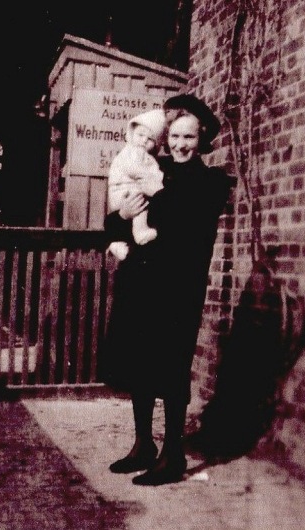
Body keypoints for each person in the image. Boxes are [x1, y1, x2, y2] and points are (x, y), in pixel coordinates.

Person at [100, 93, 233, 486]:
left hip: (177, 288)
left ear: (201, 138)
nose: (180, 145)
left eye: (189, 137)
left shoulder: (208, 183)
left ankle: (172, 453)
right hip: (140, 284)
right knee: (140, 363)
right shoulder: (152, 168)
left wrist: (148, 214)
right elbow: (114, 223)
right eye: (174, 136)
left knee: (171, 367)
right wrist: (122, 215)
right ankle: (143, 445)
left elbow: (181, 229)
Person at [107, 109, 166, 261]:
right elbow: (134, 169)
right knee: (141, 206)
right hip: (123, 191)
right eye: (140, 135)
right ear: (132, 134)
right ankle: (139, 232)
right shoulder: (132, 152)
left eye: (150, 139)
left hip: (126, 192)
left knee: (140, 206)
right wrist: (157, 179)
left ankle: (117, 244)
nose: (144, 141)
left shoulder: (146, 156)